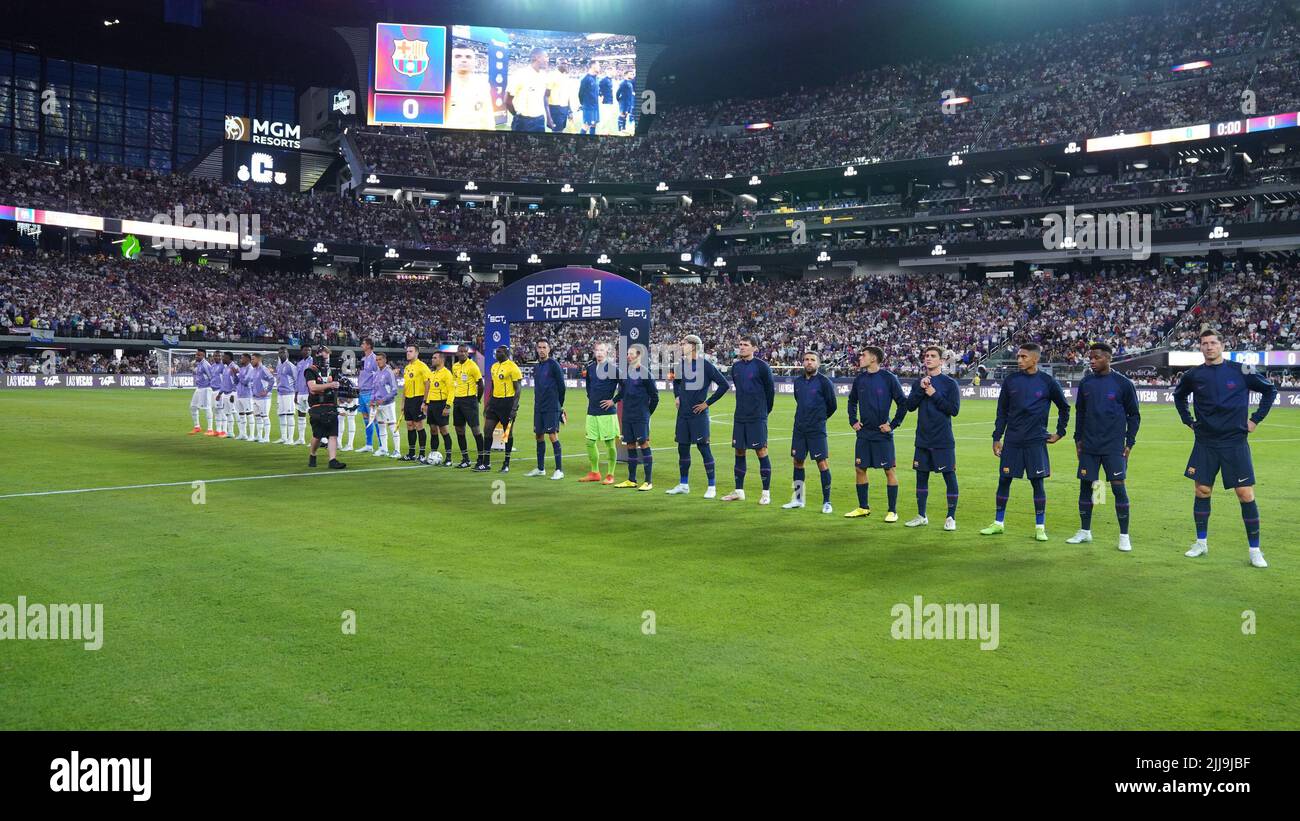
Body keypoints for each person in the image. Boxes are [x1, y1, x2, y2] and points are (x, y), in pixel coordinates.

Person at [1174, 329, 1277, 568]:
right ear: (1200, 347)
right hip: (1206, 442)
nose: (1209, 347)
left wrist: (1255, 420)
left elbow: (1269, 389)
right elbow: (1179, 397)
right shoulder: (1193, 375)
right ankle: (1201, 543)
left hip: (1234, 442)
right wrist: (1187, 420)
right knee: (1202, 491)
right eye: (1204, 343)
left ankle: (1255, 551)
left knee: (1245, 494)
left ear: (1222, 345)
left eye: (1213, 343)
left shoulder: (1241, 369)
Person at [979, 343, 1070, 541]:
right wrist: (997, 437)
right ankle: (998, 523)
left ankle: (1040, 527)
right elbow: (1001, 411)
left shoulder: (1047, 382)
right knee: (1004, 480)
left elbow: (1064, 407)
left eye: (1023, 357)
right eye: (1018, 356)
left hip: (1035, 441)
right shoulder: (1011, 381)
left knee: (1037, 483)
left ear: (1035, 359)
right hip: (1012, 440)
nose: (1019, 360)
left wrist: (1060, 432)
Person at [1065, 342, 1140, 551]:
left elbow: (1134, 415)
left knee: (1118, 488)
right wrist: (1077, 439)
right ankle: (1085, 531)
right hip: (1089, 445)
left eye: (1097, 357)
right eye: (1091, 357)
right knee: (1086, 486)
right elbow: (1080, 412)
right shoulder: (1087, 383)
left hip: (1113, 446)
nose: (1092, 360)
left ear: (1108, 358)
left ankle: (1124, 536)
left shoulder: (1123, 384)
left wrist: (1129, 442)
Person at [844, 346, 907, 521]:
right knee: (859, 468)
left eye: (863, 355)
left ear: (873, 358)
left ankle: (892, 511)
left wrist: (893, 424)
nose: (860, 358)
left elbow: (903, 403)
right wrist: (853, 420)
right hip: (864, 434)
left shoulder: (888, 378)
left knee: (889, 470)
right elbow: (852, 401)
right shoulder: (860, 379)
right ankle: (863, 507)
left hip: (882, 435)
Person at [903, 346, 961, 530]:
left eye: (932, 356)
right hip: (922, 438)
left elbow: (954, 410)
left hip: (942, 439)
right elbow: (910, 406)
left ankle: (951, 517)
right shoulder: (918, 383)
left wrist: (933, 394)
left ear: (941, 361)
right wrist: (921, 389)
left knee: (949, 477)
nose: (928, 358)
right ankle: (921, 515)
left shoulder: (950, 383)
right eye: (926, 356)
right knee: (921, 477)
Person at [665, 334, 730, 498]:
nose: (681, 346)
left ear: (693, 346)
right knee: (682, 449)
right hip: (683, 415)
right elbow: (676, 382)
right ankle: (683, 484)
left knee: (703, 448)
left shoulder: (705, 366)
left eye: (684, 343)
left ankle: (711, 487)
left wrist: (707, 403)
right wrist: (677, 396)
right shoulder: (681, 365)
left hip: (698, 415)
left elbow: (724, 385)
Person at [722, 335, 776, 504]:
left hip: (757, 416)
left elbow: (770, 392)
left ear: (754, 348)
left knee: (761, 451)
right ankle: (739, 491)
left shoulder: (762, 367)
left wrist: (764, 412)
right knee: (739, 451)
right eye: (740, 344)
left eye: (745, 345)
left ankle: (766, 493)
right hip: (740, 416)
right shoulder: (735, 367)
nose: (742, 347)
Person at [783, 351, 837, 514]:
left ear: (818, 364)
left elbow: (832, 405)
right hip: (799, 428)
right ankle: (798, 499)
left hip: (816, 429)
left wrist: (819, 419)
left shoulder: (824, 382)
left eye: (812, 360)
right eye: (806, 359)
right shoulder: (798, 382)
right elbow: (798, 400)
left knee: (822, 463)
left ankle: (827, 502)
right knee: (798, 462)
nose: (809, 362)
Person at [611, 343, 659, 490]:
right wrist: (613, 400)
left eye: (632, 354)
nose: (629, 356)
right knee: (630, 445)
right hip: (628, 416)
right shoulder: (627, 373)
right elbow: (623, 393)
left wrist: (646, 413)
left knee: (643, 444)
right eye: (628, 353)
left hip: (640, 416)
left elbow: (655, 397)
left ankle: (648, 481)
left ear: (639, 356)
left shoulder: (645, 373)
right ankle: (631, 479)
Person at [526, 339, 567, 479]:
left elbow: (562, 387)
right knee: (538, 435)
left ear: (549, 349)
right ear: (536, 349)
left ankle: (559, 470)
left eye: (544, 347)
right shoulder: (537, 366)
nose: (542, 350)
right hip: (539, 407)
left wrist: (559, 406)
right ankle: (540, 468)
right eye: (539, 347)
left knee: (552, 436)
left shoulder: (554, 365)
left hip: (551, 407)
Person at [580, 341, 619, 483]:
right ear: (594, 352)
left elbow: (625, 386)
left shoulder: (613, 369)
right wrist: (591, 397)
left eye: (602, 350)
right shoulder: (590, 368)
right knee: (590, 442)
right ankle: (595, 472)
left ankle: (610, 475)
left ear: (606, 352)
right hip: (592, 411)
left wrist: (613, 401)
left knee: (609, 443)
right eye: (597, 350)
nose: (599, 353)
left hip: (607, 413)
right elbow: (588, 386)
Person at [304, 346, 346, 470]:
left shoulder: (333, 371)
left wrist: (343, 399)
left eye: (327, 356)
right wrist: (331, 385)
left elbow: (336, 388)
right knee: (317, 435)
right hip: (317, 405)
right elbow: (312, 387)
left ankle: (332, 460)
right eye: (323, 356)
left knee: (333, 434)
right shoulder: (310, 371)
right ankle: (313, 454)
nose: (326, 359)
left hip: (330, 405)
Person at [484, 346, 523, 473]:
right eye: (496, 351)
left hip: (508, 403)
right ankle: (486, 462)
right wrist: (488, 404)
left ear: (505, 353)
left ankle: (506, 463)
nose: (496, 353)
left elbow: (518, 389)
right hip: (495, 403)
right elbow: (494, 386)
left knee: (507, 434)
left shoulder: (513, 367)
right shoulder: (494, 367)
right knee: (487, 431)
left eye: (499, 352)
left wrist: (514, 407)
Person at [451, 344, 486, 469]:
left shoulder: (472, 366)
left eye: (464, 351)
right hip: (458, 401)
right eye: (460, 351)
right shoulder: (454, 366)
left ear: (468, 353)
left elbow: (481, 384)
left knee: (475, 430)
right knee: (459, 429)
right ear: (457, 353)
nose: (462, 353)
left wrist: (477, 399)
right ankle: (465, 459)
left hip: (470, 400)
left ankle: (481, 459)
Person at [506, 48, 552, 132]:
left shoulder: (544, 76)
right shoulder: (520, 74)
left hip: (540, 121)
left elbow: (545, 97)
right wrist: (517, 116)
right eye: (546, 56)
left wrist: (549, 118)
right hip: (522, 122)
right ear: (537, 57)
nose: (548, 59)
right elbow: (507, 101)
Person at [401, 344, 432, 462]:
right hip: (408, 400)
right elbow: (405, 386)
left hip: (418, 399)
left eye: (411, 351)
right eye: (407, 351)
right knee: (409, 425)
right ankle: (411, 453)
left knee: (419, 425)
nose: (408, 353)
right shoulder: (407, 367)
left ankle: (422, 453)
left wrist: (425, 402)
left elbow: (428, 383)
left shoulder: (422, 366)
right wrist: (403, 402)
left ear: (417, 353)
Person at [426, 351, 456, 466]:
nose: (432, 359)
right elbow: (430, 390)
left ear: (441, 360)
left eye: (435, 358)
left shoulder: (447, 374)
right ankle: (433, 456)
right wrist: (426, 403)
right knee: (433, 430)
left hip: (442, 404)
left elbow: (451, 391)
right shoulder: (432, 373)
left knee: (444, 431)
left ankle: (448, 458)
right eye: (432, 357)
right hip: (432, 405)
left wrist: (448, 406)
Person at [371, 352, 400, 458]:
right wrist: (372, 399)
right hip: (378, 405)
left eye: (380, 359)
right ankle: (384, 449)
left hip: (388, 404)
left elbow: (395, 390)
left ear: (385, 360)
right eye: (376, 360)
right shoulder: (377, 372)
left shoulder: (389, 372)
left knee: (393, 427)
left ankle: (397, 451)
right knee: (381, 427)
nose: (378, 362)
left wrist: (383, 399)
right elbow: (374, 388)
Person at [356, 338, 379, 453]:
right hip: (362, 392)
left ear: (369, 345)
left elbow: (379, 375)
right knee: (366, 419)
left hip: (370, 392)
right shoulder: (363, 359)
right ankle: (369, 445)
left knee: (374, 419)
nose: (361, 345)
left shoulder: (375, 359)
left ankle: (381, 446)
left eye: (363, 343)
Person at [274, 347, 297, 445]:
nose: (281, 354)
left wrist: (296, 393)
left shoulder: (290, 366)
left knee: (290, 414)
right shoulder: (279, 366)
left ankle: (290, 439)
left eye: (283, 352)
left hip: (289, 393)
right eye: (280, 352)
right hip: (280, 393)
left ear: (287, 354)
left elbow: (296, 380)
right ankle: (283, 437)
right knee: (281, 415)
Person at [250, 353, 274, 443]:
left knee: (265, 417)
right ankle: (259, 436)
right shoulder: (253, 370)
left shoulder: (264, 369)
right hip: (255, 397)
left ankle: (266, 437)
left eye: (253, 359)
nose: (251, 361)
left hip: (264, 398)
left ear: (258, 360)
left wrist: (267, 391)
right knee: (257, 417)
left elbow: (272, 379)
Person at [189, 348, 213, 435]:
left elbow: (211, 377)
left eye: (198, 355)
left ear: (203, 356)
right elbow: (198, 373)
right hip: (199, 388)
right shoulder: (199, 364)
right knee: (193, 407)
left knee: (207, 407)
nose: (196, 356)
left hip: (206, 388)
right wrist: (192, 367)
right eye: (196, 354)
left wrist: (209, 387)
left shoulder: (206, 365)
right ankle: (197, 427)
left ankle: (210, 429)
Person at [293, 344, 314, 445]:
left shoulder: (313, 361)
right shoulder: (299, 363)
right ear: (302, 351)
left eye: (309, 350)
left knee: (313, 416)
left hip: (309, 392)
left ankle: (316, 439)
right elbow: (297, 379)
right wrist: (296, 393)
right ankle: (301, 438)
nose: (308, 352)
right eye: (306, 350)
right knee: (301, 415)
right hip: (300, 393)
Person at [234, 353, 254, 441]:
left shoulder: (250, 369)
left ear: (247, 359)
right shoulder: (241, 368)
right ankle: (243, 434)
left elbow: (246, 381)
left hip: (247, 394)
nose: (240, 360)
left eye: (242, 358)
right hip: (239, 394)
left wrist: (237, 374)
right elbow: (237, 382)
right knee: (241, 415)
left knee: (249, 414)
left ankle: (252, 435)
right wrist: (235, 375)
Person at [578, 60, 601, 135]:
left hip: (595, 106)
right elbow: (580, 94)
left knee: (594, 124)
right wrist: (584, 105)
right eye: (598, 65)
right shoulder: (585, 79)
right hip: (588, 107)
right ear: (593, 66)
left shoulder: (596, 78)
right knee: (586, 125)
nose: (600, 67)